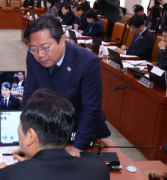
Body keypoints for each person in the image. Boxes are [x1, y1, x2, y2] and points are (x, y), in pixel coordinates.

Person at [22, 16, 110, 157]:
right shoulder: (32, 56)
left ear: (62, 40)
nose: (40, 55)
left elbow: (91, 109)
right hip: (49, 128)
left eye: (45, 48)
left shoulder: (87, 62)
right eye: (34, 49)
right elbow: (29, 94)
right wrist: (22, 134)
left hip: (79, 129)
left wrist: (78, 146)